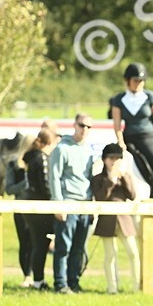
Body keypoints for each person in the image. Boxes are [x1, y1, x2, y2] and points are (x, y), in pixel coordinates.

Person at [91, 143, 151, 294]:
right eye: (111, 158)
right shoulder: (98, 178)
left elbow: (132, 195)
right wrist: (110, 180)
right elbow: (100, 197)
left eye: (118, 158)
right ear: (105, 160)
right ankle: (112, 287)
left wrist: (124, 177)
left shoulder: (126, 176)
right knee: (110, 255)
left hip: (124, 220)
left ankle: (136, 286)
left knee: (133, 252)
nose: (115, 161)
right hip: (107, 220)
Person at [49, 114, 95, 293]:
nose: (84, 129)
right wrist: (58, 204)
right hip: (68, 202)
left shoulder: (89, 151)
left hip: (85, 204)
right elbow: (54, 176)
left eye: (89, 127)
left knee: (78, 247)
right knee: (63, 247)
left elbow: (91, 178)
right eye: (82, 125)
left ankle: (73, 282)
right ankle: (60, 283)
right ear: (74, 125)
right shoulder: (62, 149)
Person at [110, 63, 153, 200]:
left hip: (147, 137)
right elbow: (117, 125)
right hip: (129, 137)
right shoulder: (118, 100)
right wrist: (120, 141)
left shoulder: (151, 97)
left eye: (141, 81)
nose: (138, 83)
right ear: (128, 81)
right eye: (135, 80)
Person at [23, 129, 57, 290]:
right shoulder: (42, 158)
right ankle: (39, 281)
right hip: (41, 206)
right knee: (41, 245)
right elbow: (45, 184)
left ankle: (37, 280)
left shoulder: (32, 157)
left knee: (37, 244)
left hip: (30, 204)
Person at [4, 145, 32, 287]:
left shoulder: (38, 160)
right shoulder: (13, 165)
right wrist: (24, 184)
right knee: (24, 242)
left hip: (36, 208)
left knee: (36, 243)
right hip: (20, 208)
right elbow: (8, 189)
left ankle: (36, 276)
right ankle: (27, 275)